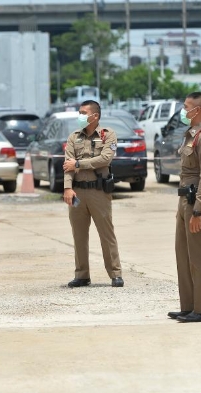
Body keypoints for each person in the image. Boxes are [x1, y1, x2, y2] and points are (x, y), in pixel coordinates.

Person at [167, 92, 201, 323]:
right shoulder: (191, 135)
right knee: (183, 255)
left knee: (199, 257)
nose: (183, 111)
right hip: (185, 201)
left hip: (197, 202)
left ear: (197, 110)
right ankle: (189, 306)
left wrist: (199, 209)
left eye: (186, 107)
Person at [62, 100, 124, 288]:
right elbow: (67, 165)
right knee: (79, 235)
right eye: (79, 112)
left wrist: (79, 164)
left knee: (106, 234)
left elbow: (105, 159)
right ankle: (82, 275)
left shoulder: (108, 135)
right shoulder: (73, 137)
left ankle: (115, 273)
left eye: (83, 112)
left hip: (99, 192)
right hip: (78, 192)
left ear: (95, 116)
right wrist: (67, 188)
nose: (80, 116)